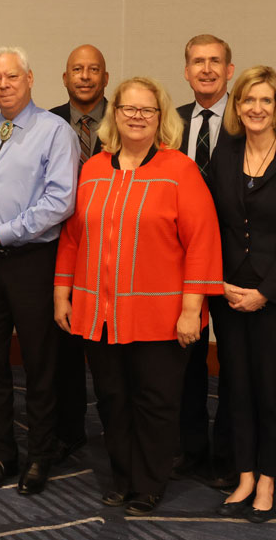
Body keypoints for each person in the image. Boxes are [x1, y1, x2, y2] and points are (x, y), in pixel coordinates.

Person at [53, 76, 223, 515]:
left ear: (161, 118)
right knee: (111, 399)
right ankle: (122, 478)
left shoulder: (179, 170)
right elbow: (72, 239)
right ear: (115, 114)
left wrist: (192, 311)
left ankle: (149, 483)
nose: (136, 117)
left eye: (147, 110)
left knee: (154, 402)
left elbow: (203, 243)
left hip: (161, 315)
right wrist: (62, 294)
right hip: (99, 312)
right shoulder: (92, 170)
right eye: (128, 109)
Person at [0, 46, 78, 495]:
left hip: (32, 262)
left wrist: (5, 233)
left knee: (39, 365)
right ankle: (0, 454)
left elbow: (59, 203)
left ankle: (40, 457)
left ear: (30, 78)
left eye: (11, 77)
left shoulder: (55, 132)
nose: (4, 85)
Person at [207, 66, 276, 522]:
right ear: (237, 108)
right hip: (229, 291)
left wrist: (266, 292)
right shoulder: (224, 154)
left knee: (273, 390)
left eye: (266, 101)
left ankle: (270, 477)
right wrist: (220, 282)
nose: (256, 108)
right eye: (248, 100)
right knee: (236, 386)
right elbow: (212, 225)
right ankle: (246, 474)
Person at [174, 34, 238, 488]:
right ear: (186, 71)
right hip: (182, 260)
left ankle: (229, 455)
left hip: (237, 259)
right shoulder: (171, 124)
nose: (207, 69)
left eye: (216, 61)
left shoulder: (250, 119)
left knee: (234, 363)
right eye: (198, 62)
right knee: (186, 357)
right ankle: (188, 447)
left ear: (230, 70)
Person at [48, 44, 109, 461]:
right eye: (77, 70)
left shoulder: (127, 120)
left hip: (113, 251)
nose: (85, 76)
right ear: (65, 78)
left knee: (113, 351)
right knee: (63, 345)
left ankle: (119, 433)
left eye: (93, 70)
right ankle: (68, 430)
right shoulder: (47, 123)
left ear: (106, 78)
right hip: (59, 246)